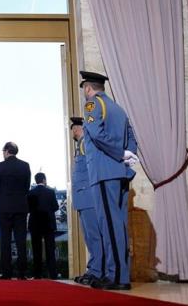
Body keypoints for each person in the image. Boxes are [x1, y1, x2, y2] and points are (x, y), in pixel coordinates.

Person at [80, 71, 137, 290]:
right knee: (118, 225)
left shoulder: (92, 105)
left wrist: (119, 154)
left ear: (88, 88)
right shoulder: (119, 109)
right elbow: (131, 138)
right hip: (120, 173)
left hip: (104, 172)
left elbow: (96, 133)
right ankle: (120, 274)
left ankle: (116, 277)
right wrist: (126, 158)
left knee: (110, 225)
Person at [68, 117, 104, 285]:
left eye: (74, 128)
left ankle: (97, 271)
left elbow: (93, 169)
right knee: (90, 236)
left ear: (78, 128)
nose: (73, 132)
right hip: (83, 197)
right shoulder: (81, 144)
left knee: (94, 235)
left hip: (88, 196)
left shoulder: (86, 143)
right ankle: (94, 269)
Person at [0, 141, 31, 280]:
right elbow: (27, 187)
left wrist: (2, 199)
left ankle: (6, 272)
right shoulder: (25, 166)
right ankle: (22, 273)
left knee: (5, 240)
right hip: (21, 206)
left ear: (7, 151)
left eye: (3, 151)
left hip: (5, 207)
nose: (3, 153)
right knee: (21, 240)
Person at [27, 172, 59, 280]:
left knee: (36, 249)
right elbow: (56, 207)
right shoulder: (50, 192)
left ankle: (37, 274)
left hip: (35, 224)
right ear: (44, 180)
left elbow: (28, 209)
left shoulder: (31, 192)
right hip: (48, 223)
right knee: (50, 249)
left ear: (36, 181)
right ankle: (52, 274)